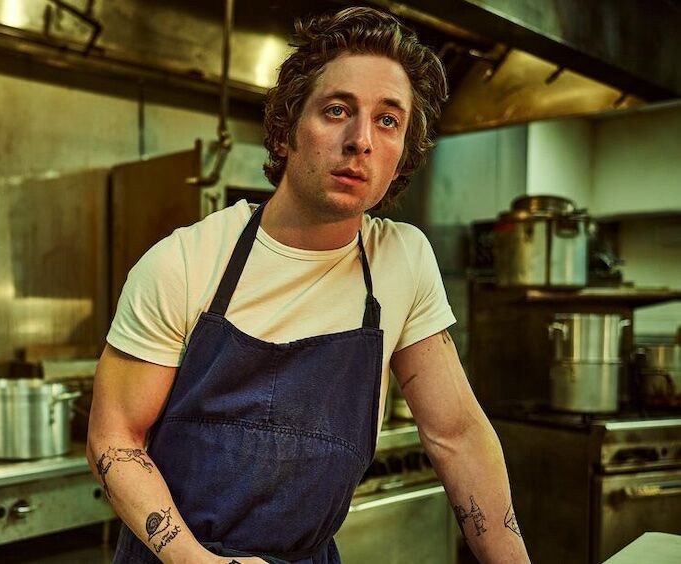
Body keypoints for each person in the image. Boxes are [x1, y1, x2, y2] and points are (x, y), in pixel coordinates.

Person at [87, 6, 530, 564]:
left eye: (388, 120)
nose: (360, 140)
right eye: (337, 110)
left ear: (403, 152)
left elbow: (459, 435)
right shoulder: (184, 262)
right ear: (287, 130)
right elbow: (115, 439)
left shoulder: (401, 261)